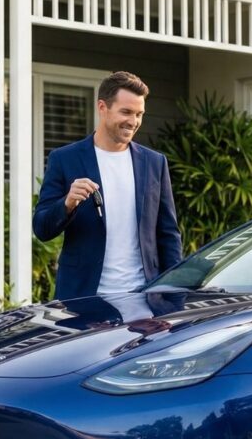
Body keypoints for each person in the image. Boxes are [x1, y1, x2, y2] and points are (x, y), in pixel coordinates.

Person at [32, 71, 182, 301]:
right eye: (126, 112)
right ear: (102, 107)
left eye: (139, 114)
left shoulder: (154, 163)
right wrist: (68, 203)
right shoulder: (64, 159)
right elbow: (42, 228)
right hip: (83, 299)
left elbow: (168, 234)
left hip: (143, 299)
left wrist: (174, 298)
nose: (133, 121)